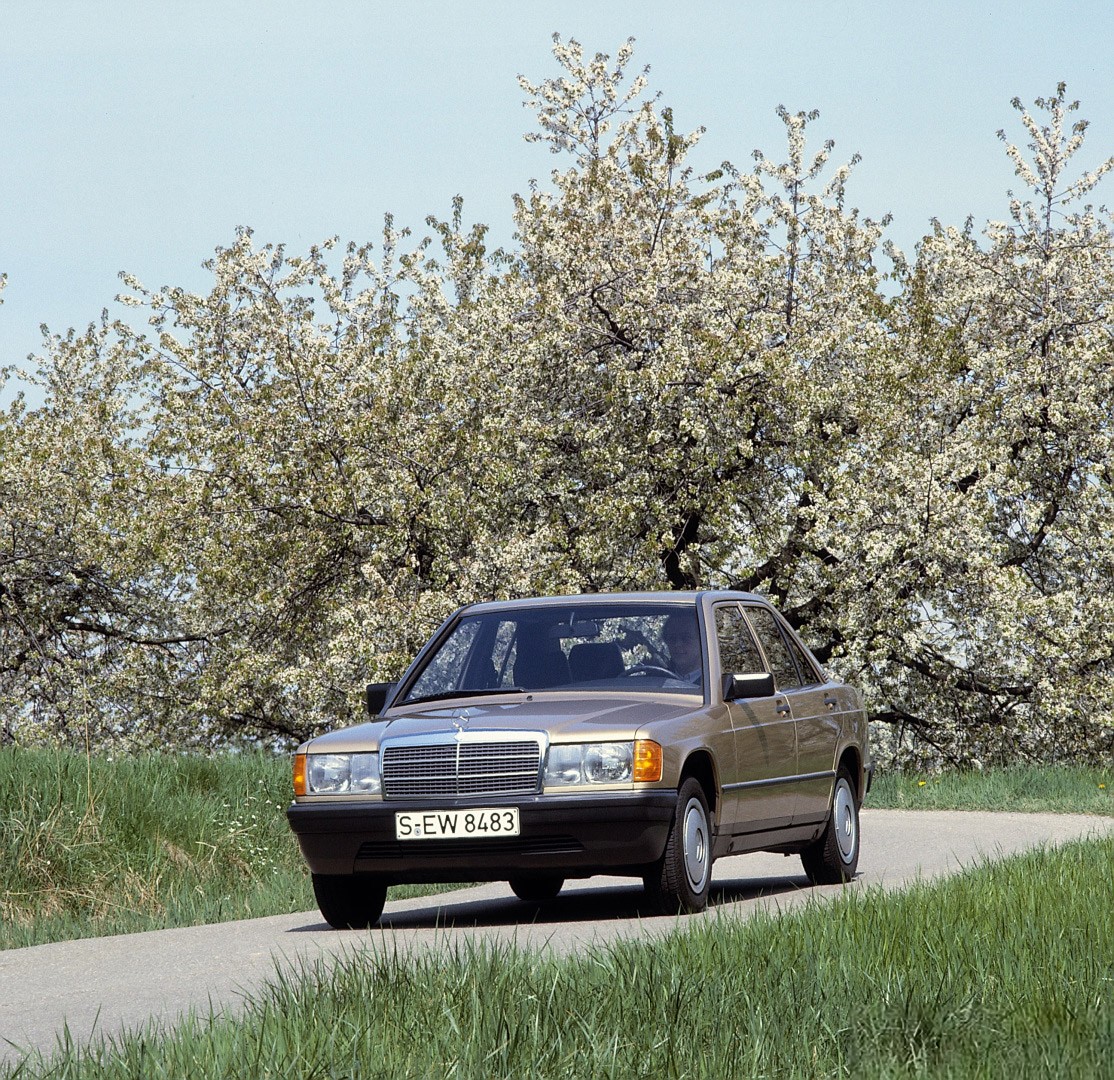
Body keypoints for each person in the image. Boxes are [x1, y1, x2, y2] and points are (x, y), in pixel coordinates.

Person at [661, 613, 703, 685]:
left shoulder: (715, 681)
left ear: (701, 641)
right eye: (672, 638)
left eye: (686, 638)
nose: (677, 644)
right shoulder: (658, 679)